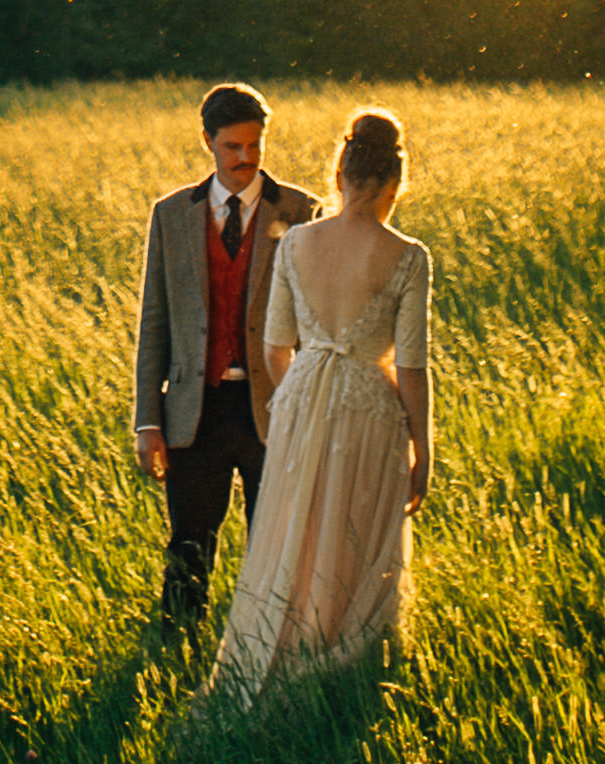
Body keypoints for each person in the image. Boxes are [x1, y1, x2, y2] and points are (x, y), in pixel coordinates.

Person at [208, 106, 432, 695]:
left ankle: (285, 643)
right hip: (370, 409)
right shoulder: (409, 255)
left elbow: (276, 346)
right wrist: (423, 449)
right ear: (394, 183)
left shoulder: (297, 243)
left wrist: (307, 391)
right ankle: (343, 660)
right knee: (355, 536)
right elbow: (410, 364)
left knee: (297, 531)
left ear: (339, 175)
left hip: (302, 400)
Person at [133, 84, 318, 631]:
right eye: (233, 146)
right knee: (189, 545)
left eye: (255, 145)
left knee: (275, 547)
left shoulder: (301, 211)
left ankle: (266, 653)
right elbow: (155, 322)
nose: (246, 158)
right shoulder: (171, 215)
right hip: (196, 409)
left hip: (276, 406)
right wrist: (148, 420)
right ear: (207, 141)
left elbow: (313, 323)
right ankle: (178, 656)